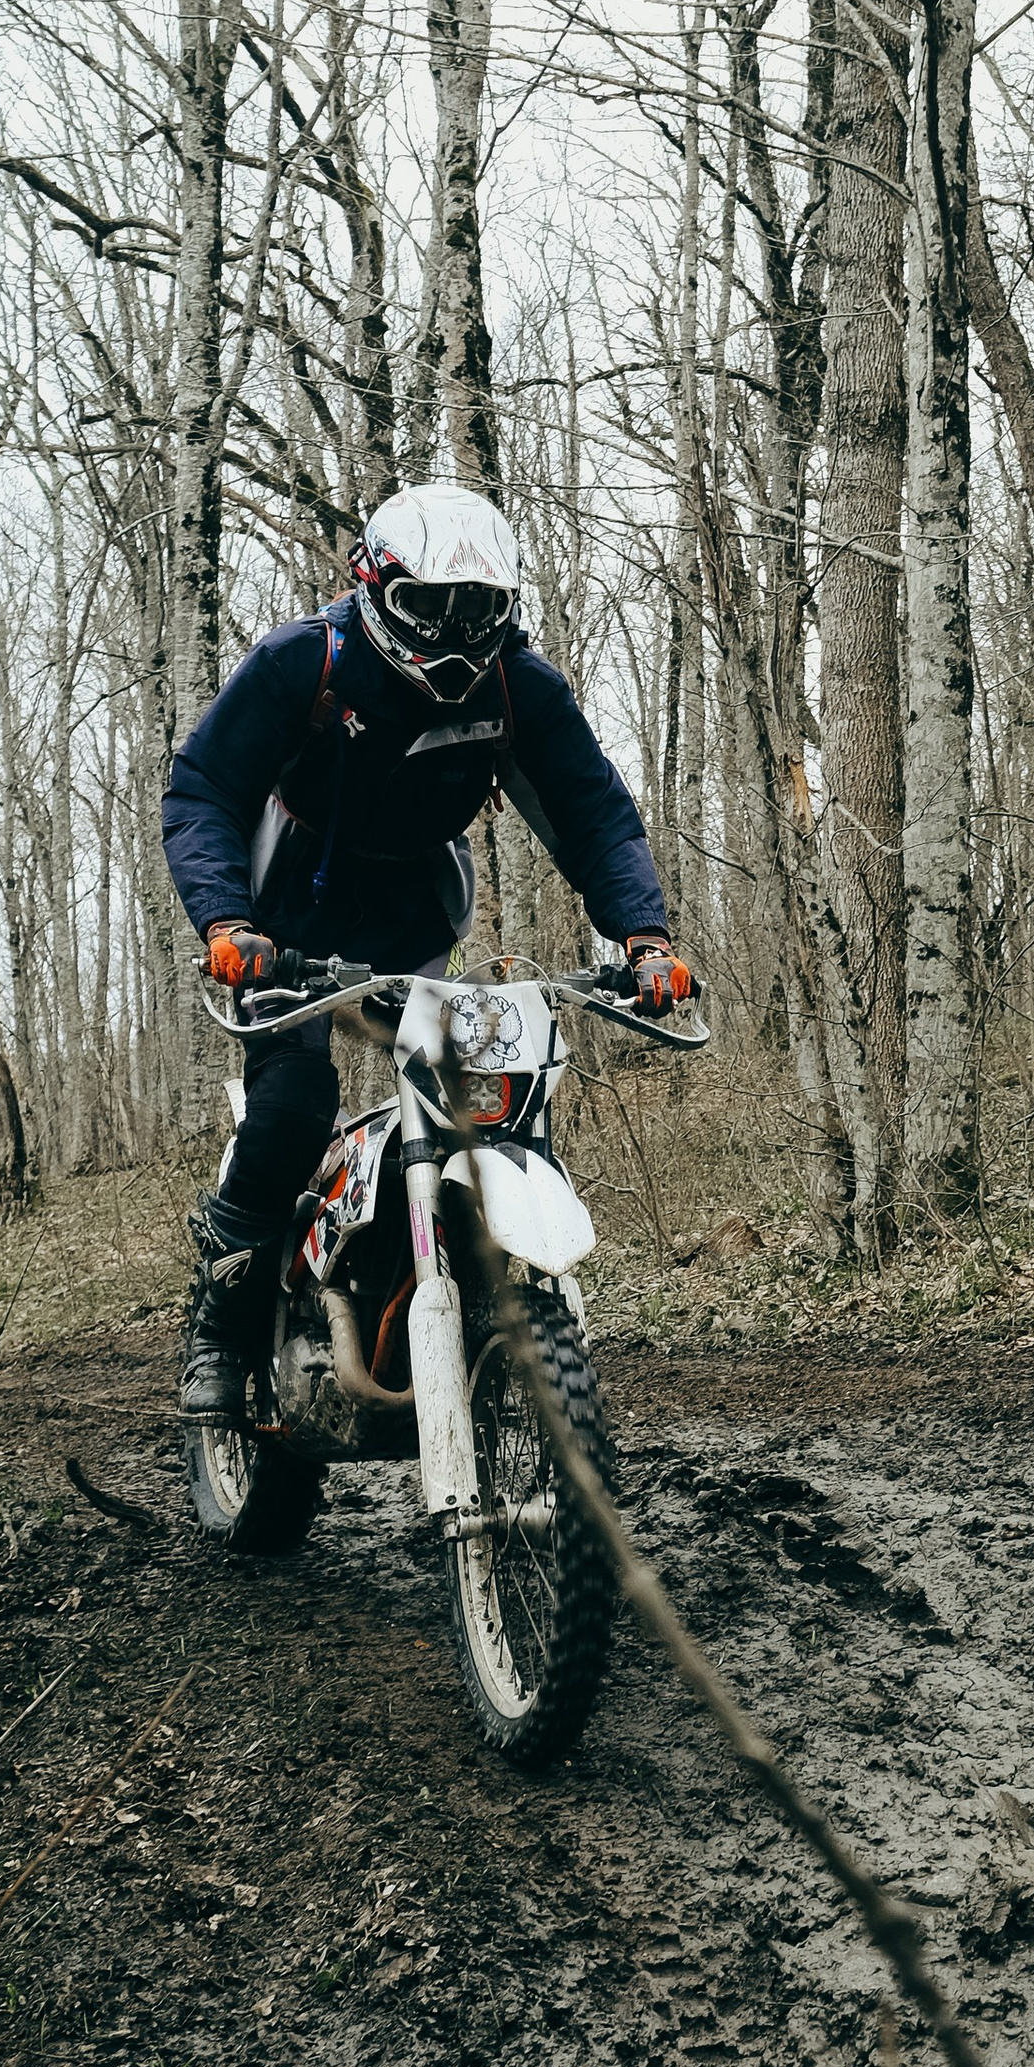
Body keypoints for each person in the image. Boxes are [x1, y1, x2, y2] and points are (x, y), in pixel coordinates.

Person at [161, 481, 687, 1418]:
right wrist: (227, 925)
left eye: (477, 610)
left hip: (413, 916)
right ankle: (223, 1317)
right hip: (285, 921)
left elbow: (592, 813)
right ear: (373, 586)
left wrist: (644, 937)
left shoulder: (520, 685)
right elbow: (203, 790)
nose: (452, 634)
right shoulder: (302, 662)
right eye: (428, 607)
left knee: (479, 1102)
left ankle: (445, 1299)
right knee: (292, 1103)